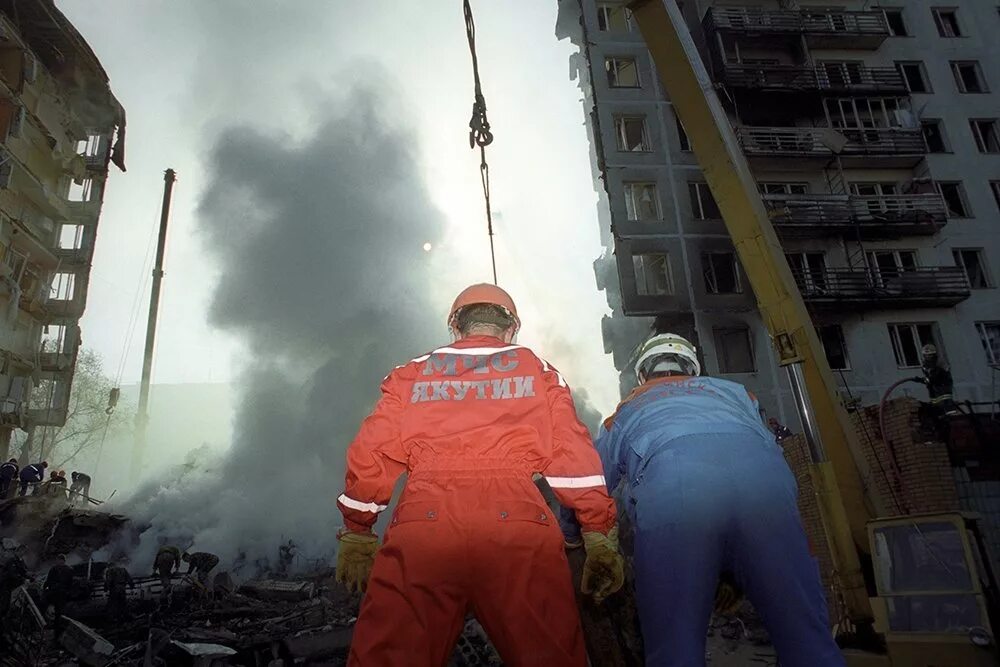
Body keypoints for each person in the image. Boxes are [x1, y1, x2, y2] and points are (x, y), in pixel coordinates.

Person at [336, 284, 623, 666]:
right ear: (510, 329)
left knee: (389, 657)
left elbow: (373, 450)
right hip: (517, 521)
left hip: (426, 523)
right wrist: (598, 533)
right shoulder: (537, 369)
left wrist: (358, 529)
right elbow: (574, 459)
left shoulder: (412, 372)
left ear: (456, 327)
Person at [562, 333, 843, 667]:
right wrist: (734, 564)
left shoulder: (629, 407)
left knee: (675, 649)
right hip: (769, 491)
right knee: (808, 641)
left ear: (642, 374)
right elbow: (743, 461)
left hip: (675, 496)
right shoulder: (738, 394)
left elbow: (590, 479)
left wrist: (571, 535)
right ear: (693, 370)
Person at [43, 555, 75, 636]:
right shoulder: (57, 569)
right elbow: (49, 581)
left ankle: (55, 627)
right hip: (58, 593)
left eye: (59, 560)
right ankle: (55, 627)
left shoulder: (59, 569)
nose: (59, 562)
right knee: (57, 611)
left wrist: (45, 588)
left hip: (58, 593)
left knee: (57, 610)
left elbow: (49, 580)